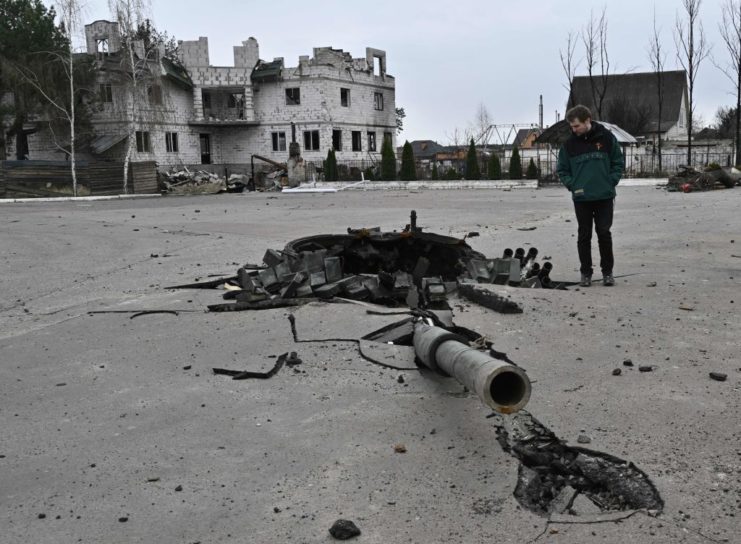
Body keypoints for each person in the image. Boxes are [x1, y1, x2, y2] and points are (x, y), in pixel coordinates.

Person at [557, 105, 624, 287]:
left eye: (576, 126)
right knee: (584, 235)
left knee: (604, 233)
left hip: (604, 196)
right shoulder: (569, 145)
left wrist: (611, 181)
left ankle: (607, 273)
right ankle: (585, 273)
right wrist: (572, 185)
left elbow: (618, 162)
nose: (574, 130)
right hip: (581, 198)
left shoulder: (607, 138)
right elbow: (562, 169)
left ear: (587, 121)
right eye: (571, 127)